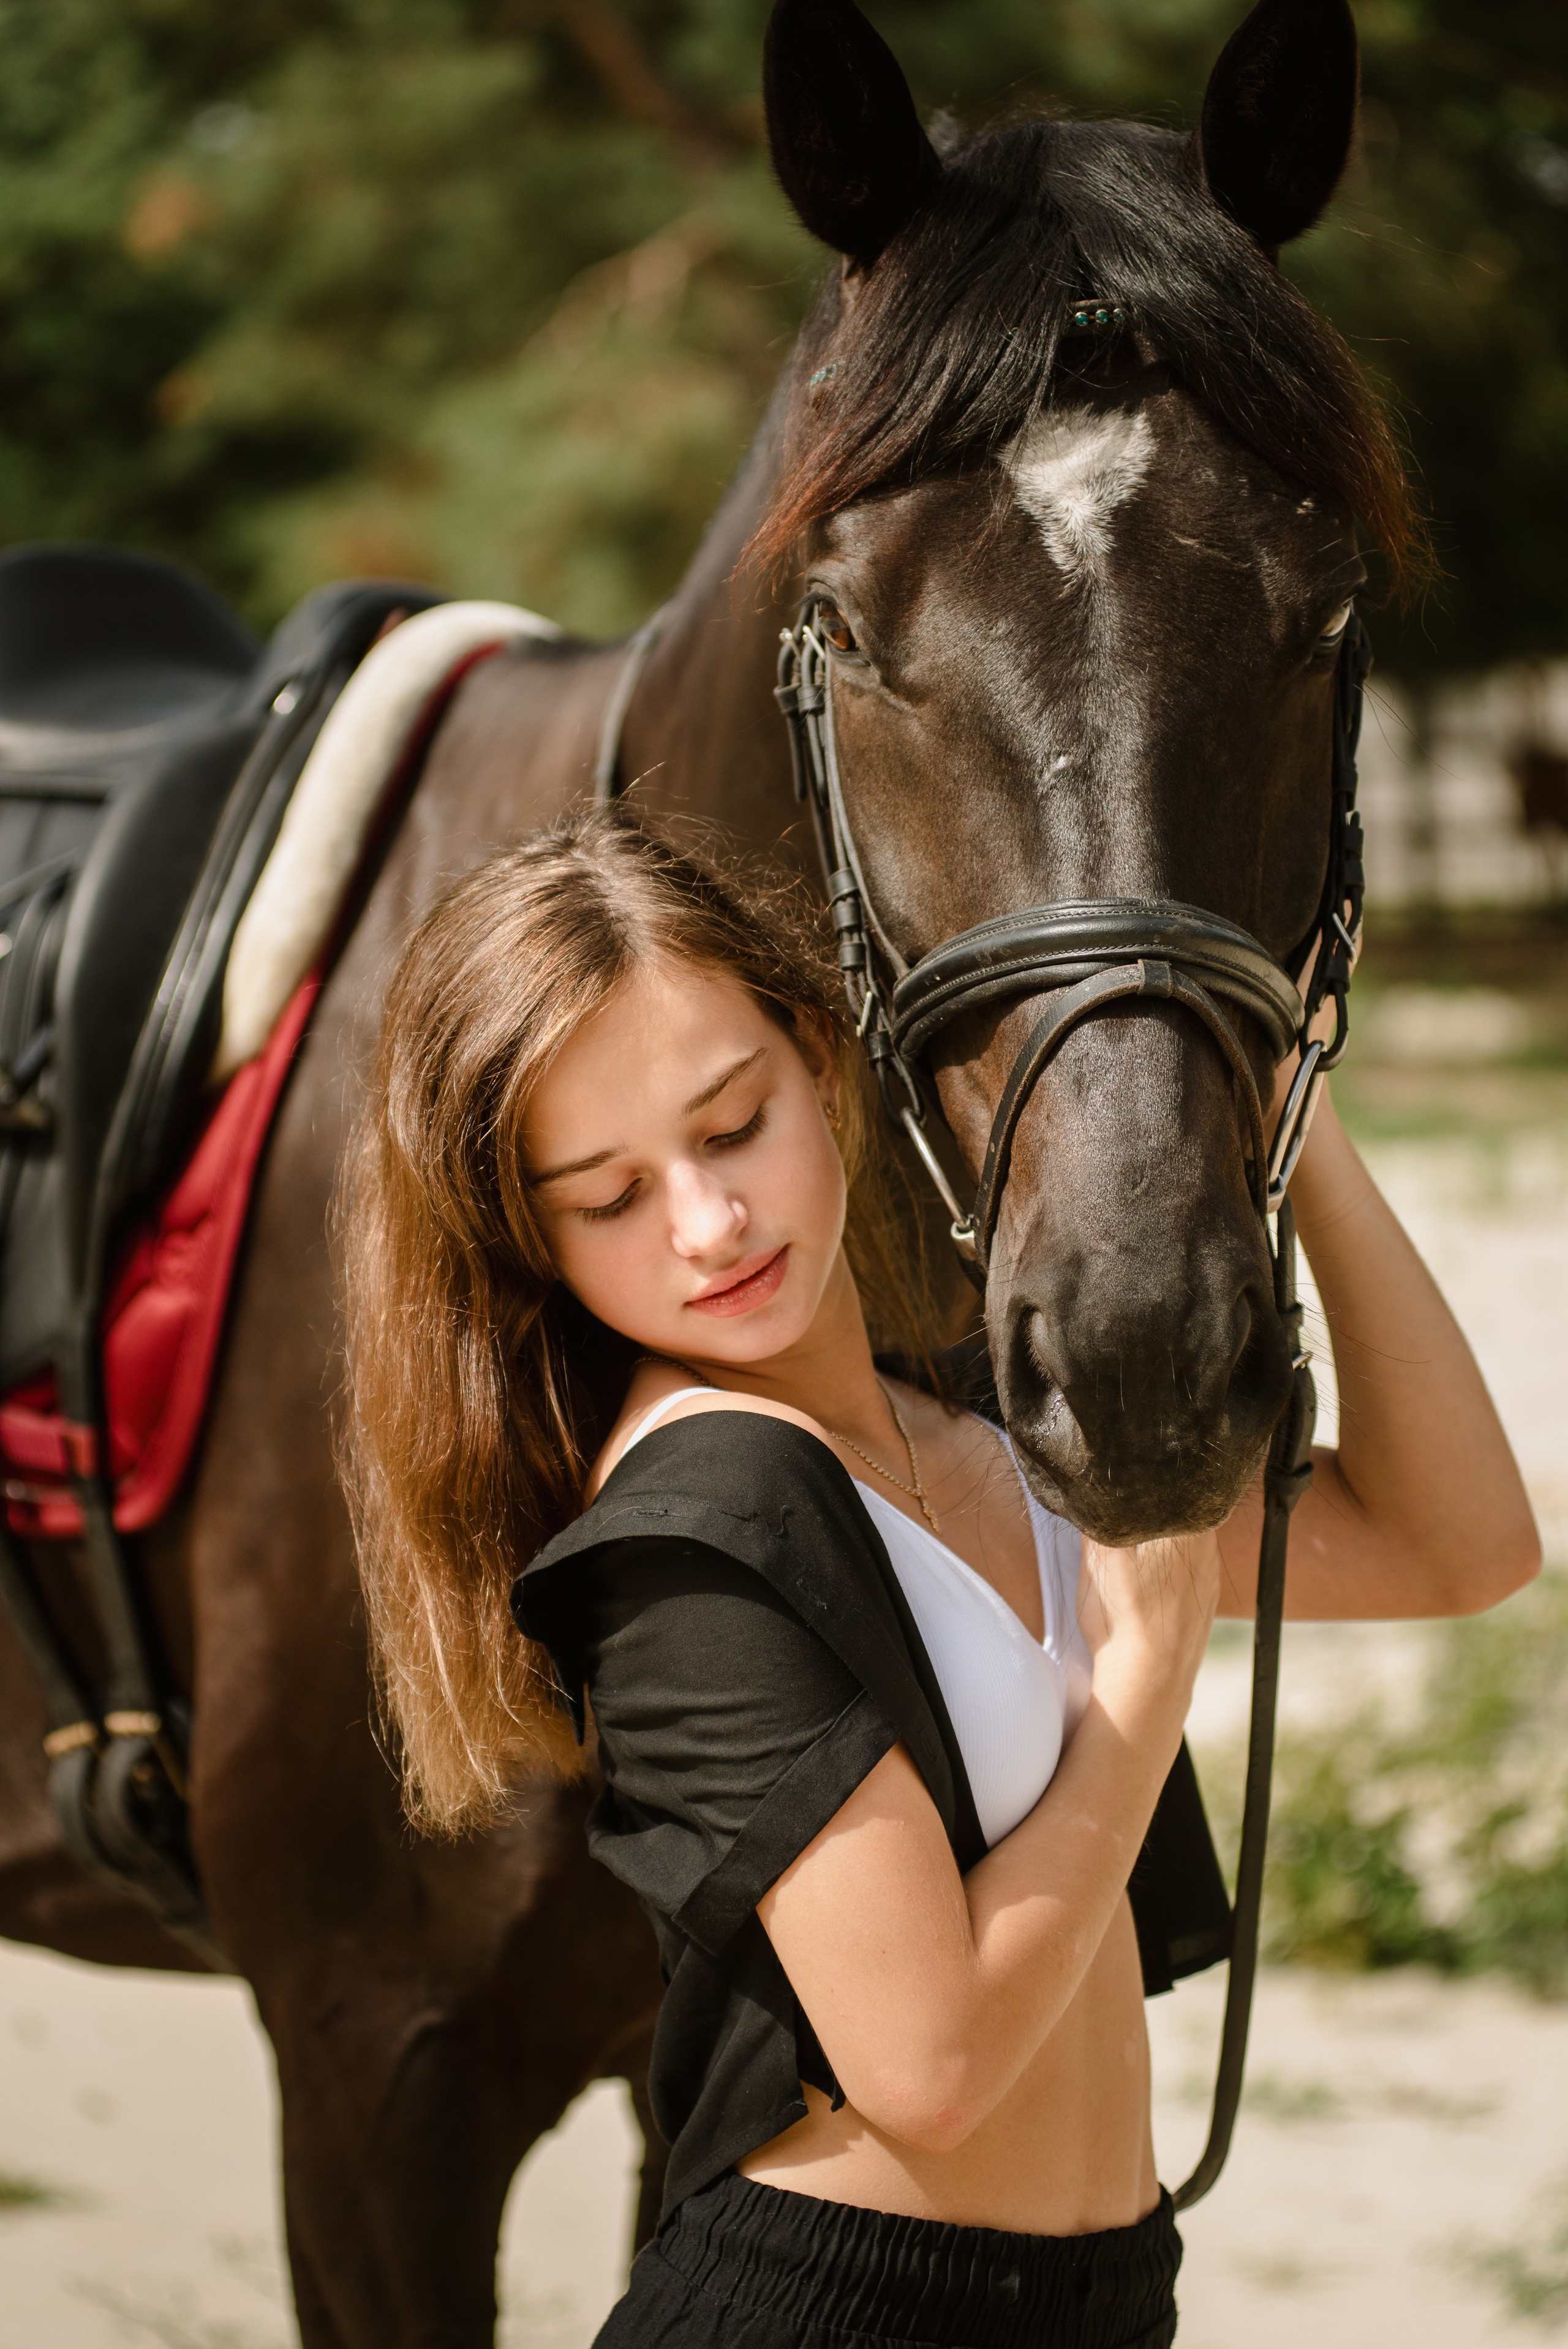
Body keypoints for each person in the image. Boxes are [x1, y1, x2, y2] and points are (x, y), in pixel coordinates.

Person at [340, 809, 1539, 2349]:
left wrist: (1278, 1100)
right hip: (842, 2316)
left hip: (1103, 2300)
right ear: (535, 1242)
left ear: (820, 1063)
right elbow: (927, 2065)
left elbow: (1459, 1546)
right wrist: (1143, 1683)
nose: (707, 1225)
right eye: (608, 1196)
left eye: (727, 1126)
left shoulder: (975, 1422)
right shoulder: (691, 1535)